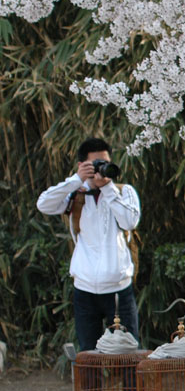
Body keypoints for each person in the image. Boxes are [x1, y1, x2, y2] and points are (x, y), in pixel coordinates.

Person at [37, 138, 141, 352]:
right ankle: (91, 387)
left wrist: (109, 189)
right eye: (96, 165)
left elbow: (130, 222)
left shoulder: (123, 191)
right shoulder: (75, 194)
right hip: (84, 289)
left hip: (118, 288)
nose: (101, 169)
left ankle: (131, 388)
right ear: (82, 166)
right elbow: (43, 204)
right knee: (88, 355)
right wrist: (76, 180)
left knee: (128, 353)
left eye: (105, 163)